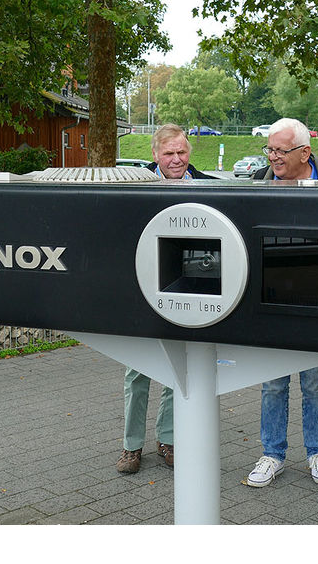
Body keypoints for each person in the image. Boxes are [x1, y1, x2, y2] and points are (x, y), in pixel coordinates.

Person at [116, 124, 213, 474]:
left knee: (178, 369)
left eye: (182, 153)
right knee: (137, 370)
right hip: (143, 288)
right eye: (169, 153)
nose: (176, 160)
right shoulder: (134, 188)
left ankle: (168, 439)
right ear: (155, 155)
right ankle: (131, 447)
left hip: (185, 288)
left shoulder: (207, 187)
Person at [245, 118, 318, 488]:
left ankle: (317, 452)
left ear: (305, 152)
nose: (274, 157)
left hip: (316, 299)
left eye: (281, 151)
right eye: (270, 149)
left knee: (315, 383)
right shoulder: (258, 183)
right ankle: (272, 453)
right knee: (272, 384)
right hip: (270, 299)